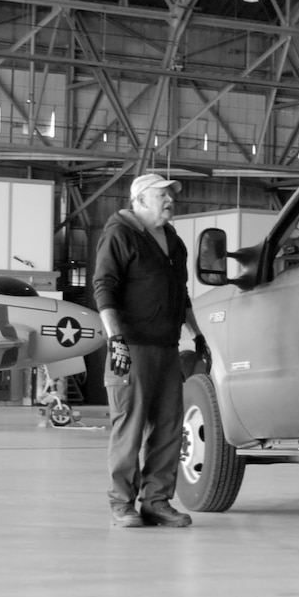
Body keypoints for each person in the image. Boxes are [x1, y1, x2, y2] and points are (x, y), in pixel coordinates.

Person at [91, 172, 197, 529]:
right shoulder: (120, 233)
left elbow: (181, 296)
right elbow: (103, 286)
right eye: (162, 195)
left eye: (171, 196)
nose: (170, 201)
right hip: (131, 347)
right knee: (130, 426)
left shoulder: (173, 241)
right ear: (139, 200)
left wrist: (197, 336)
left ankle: (156, 502)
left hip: (167, 348)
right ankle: (122, 503)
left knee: (169, 427)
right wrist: (115, 338)